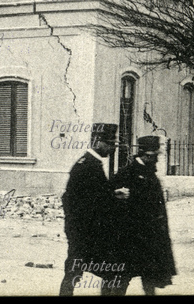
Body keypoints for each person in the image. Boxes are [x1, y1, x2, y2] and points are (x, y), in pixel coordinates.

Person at [59, 124, 129, 296]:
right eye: (110, 144)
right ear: (98, 142)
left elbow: (91, 195)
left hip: (85, 231)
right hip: (83, 232)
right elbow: (80, 201)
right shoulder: (88, 166)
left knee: (77, 272)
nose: (112, 148)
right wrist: (112, 198)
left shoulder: (90, 163)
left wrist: (112, 194)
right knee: (80, 272)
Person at [111, 135, 177, 295]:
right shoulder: (126, 173)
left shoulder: (150, 174)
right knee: (122, 280)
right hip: (129, 241)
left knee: (149, 281)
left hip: (149, 240)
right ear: (145, 155)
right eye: (154, 156)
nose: (156, 160)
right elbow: (111, 205)